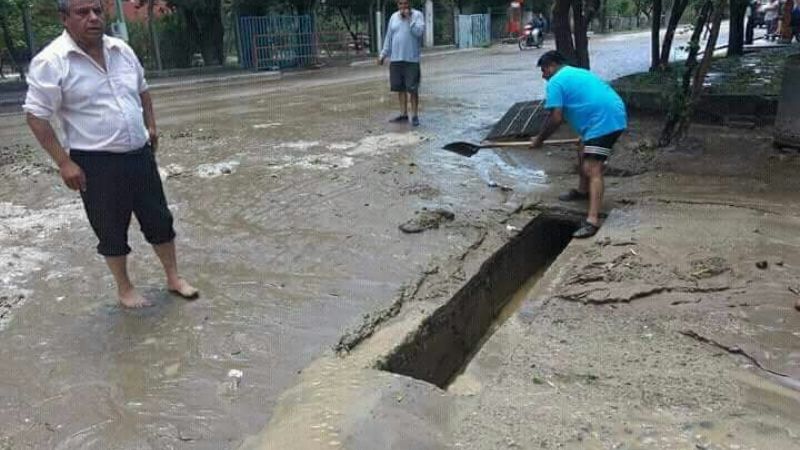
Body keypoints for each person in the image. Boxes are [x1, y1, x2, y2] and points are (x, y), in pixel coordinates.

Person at [23, 0, 198, 308]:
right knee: (110, 227)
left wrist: (151, 127)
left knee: (159, 219)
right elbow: (36, 116)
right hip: (95, 162)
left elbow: (142, 90)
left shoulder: (122, 50)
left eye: (97, 11)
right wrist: (64, 163)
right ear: (64, 18)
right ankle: (125, 288)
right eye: (82, 12)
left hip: (139, 154)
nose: (93, 18)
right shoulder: (51, 61)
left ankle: (173, 277)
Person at [530, 51, 627, 239]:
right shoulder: (575, 73)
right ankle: (583, 191)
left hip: (604, 122)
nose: (543, 76)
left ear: (552, 66)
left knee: (592, 167)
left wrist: (539, 139)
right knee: (582, 149)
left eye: (544, 70)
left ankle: (592, 221)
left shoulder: (556, 82)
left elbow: (556, 118)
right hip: (607, 115)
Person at [378, 0, 425, 127]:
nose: (403, 6)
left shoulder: (417, 15)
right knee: (400, 88)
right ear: (397, 4)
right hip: (396, 59)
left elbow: (419, 33)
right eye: (400, 4)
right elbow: (388, 37)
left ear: (409, 4)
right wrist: (383, 54)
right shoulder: (393, 17)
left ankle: (414, 115)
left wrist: (409, 18)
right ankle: (403, 114)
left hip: (411, 59)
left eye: (405, 3)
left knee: (412, 88)